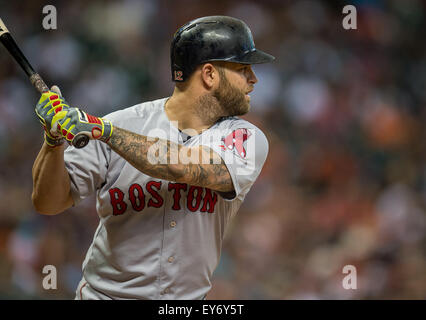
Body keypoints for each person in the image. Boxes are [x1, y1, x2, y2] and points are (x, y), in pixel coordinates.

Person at [32, 15, 275, 300]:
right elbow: (48, 203)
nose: (253, 79)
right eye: (243, 68)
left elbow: (183, 167)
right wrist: (52, 142)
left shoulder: (245, 137)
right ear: (209, 74)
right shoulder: (123, 122)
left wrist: (106, 131)